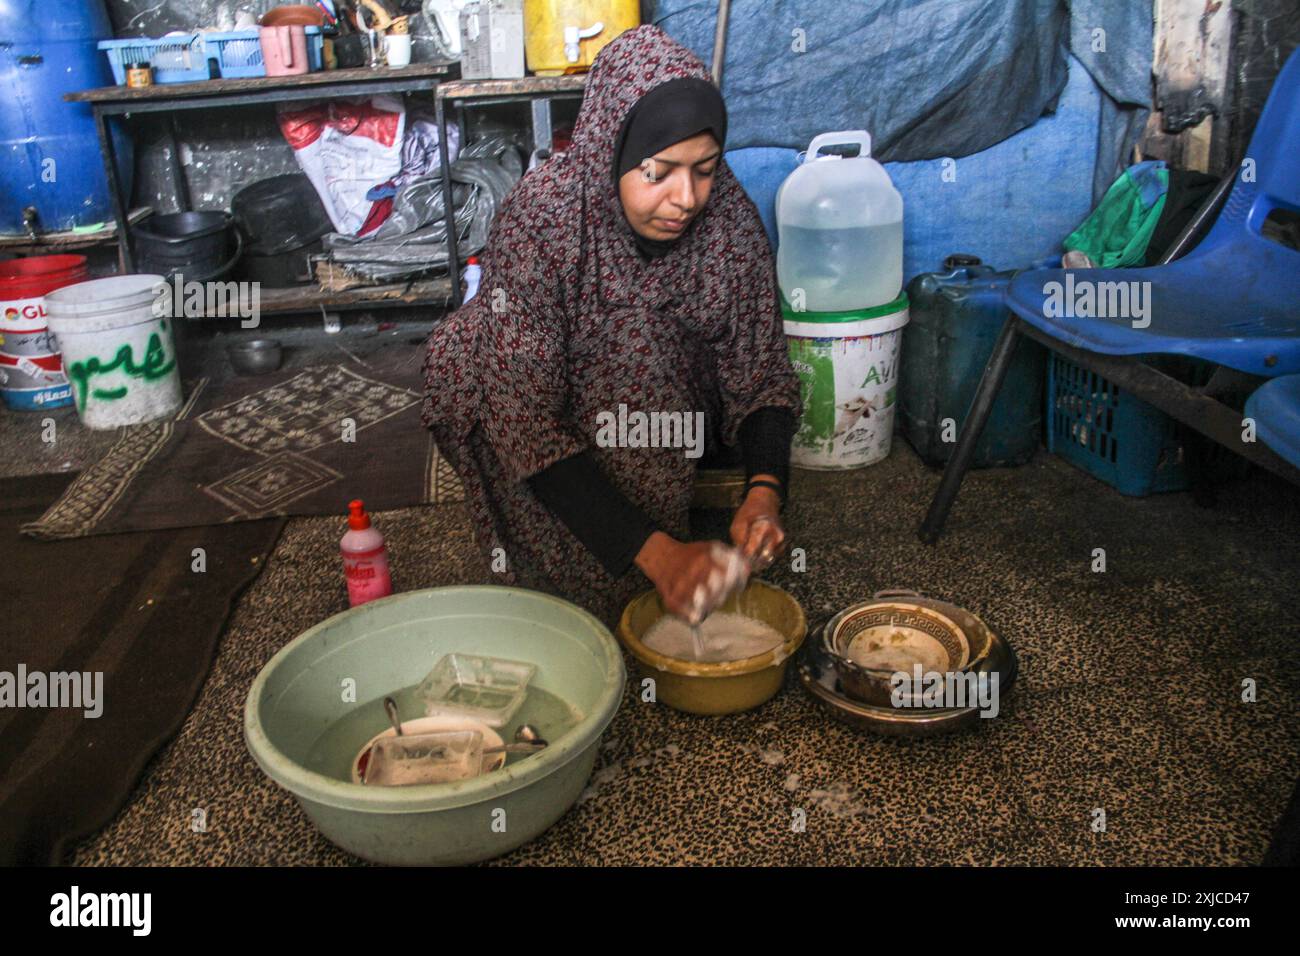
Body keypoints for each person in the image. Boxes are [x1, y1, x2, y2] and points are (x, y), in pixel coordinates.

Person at [421, 25, 801, 628]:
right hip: (552, 392)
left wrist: (763, 489)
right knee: (463, 359)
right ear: (612, 148)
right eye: (659, 171)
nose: (687, 197)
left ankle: (643, 538)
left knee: (640, 351)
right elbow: (525, 416)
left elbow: (760, 371)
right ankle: (553, 550)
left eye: (704, 168)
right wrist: (658, 553)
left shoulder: (728, 219)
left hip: (663, 400)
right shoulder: (545, 215)